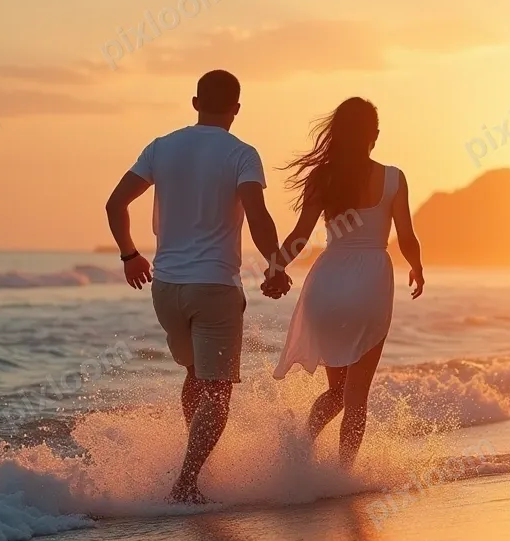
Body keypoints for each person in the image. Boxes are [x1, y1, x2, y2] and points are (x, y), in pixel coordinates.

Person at [105, 69, 290, 504]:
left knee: (195, 376)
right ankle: (186, 483)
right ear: (237, 109)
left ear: (194, 103)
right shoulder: (242, 154)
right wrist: (275, 265)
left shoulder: (161, 147)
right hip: (214, 288)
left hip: (166, 287)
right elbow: (257, 214)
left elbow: (115, 204)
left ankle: (192, 466)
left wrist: (130, 255)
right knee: (218, 389)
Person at [268, 97, 424, 466]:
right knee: (356, 395)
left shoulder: (324, 177)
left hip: (327, 286)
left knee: (336, 392)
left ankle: (299, 455)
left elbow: (300, 236)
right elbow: (407, 236)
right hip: (369, 285)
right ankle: (341, 475)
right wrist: (417, 268)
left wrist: (276, 267)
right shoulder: (393, 178)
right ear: (376, 134)